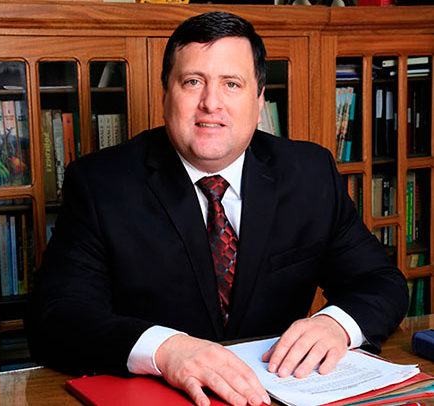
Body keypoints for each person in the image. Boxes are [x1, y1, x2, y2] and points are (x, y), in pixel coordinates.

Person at [26, 11, 408, 406]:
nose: (211, 103)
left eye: (232, 84)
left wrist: (336, 325)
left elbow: (381, 281)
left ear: (259, 100)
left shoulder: (309, 172)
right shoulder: (101, 183)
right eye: (193, 82)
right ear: (165, 95)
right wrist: (165, 350)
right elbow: (54, 318)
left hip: (278, 392)